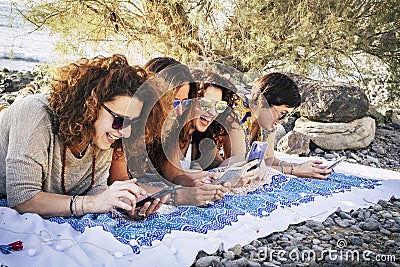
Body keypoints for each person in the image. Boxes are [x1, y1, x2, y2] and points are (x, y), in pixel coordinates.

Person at [0, 54, 165, 219]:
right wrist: (92, 204)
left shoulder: (101, 135)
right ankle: (23, 94)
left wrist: (122, 202)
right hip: (18, 116)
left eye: (132, 123)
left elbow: (93, 189)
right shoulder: (35, 115)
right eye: (120, 120)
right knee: (16, 105)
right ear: (90, 105)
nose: (125, 132)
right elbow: (22, 199)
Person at [225, 72, 332, 180]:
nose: (285, 120)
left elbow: (269, 159)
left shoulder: (265, 120)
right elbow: (241, 168)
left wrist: (302, 167)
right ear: (263, 102)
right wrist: (295, 170)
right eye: (283, 113)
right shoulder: (236, 115)